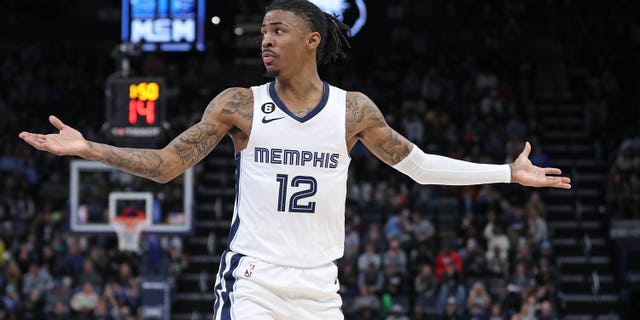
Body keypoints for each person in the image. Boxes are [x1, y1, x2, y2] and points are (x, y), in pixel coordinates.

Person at [19, 0, 571, 318]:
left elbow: (418, 165)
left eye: (278, 30)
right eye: (262, 31)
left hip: (319, 286)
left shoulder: (353, 110)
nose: (265, 39)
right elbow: (167, 165)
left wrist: (506, 172)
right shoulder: (240, 104)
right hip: (253, 279)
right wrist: (88, 148)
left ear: (311, 40)